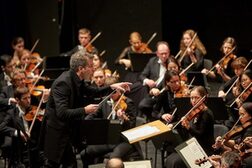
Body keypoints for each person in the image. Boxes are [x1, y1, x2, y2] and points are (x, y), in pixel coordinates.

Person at [42, 51, 131, 168]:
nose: (92, 70)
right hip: (57, 132)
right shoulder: (63, 82)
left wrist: (112, 87)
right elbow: (62, 113)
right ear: (81, 68)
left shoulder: (78, 79)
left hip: (67, 131)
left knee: (71, 164)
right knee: (54, 164)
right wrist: (85, 110)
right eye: (90, 66)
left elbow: (92, 91)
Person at [80, 77, 142, 168]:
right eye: (109, 92)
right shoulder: (105, 102)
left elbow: (131, 127)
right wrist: (85, 122)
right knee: (84, 153)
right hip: (109, 140)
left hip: (124, 141)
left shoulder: (128, 103)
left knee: (113, 159)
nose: (111, 95)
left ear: (119, 89)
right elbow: (92, 115)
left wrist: (123, 119)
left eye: (114, 92)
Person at [166, 86, 214, 168]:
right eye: (191, 98)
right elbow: (183, 122)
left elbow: (200, 134)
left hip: (203, 149)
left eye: (196, 98)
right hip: (193, 146)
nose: (194, 101)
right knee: (170, 159)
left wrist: (188, 127)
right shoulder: (195, 111)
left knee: (176, 162)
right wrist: (172, 125)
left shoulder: (206, 113)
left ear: (204, 98)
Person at [138, 41, 171, 118]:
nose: (164, 56)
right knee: (142, 106)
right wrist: (147, 81)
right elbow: (142, 75)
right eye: (161, 53)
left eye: (166, 53)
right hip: (153, 93)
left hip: (166, 93)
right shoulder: (152, 61)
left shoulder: (171, 62)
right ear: (157, 53)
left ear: (169, 52)